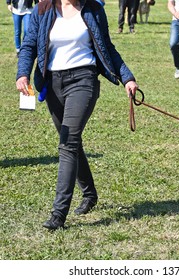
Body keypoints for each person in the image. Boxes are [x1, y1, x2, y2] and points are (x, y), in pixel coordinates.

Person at [16, 0, 138, 230]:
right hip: (52, 84)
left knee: (68, 143)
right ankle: (90, 194)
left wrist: (127, 77)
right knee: (71, 141)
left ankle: (58, 214)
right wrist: (22, 73)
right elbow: (29, 45)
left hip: (84, 80)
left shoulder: (93, 9)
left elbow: (107, 47)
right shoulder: (42, 9)